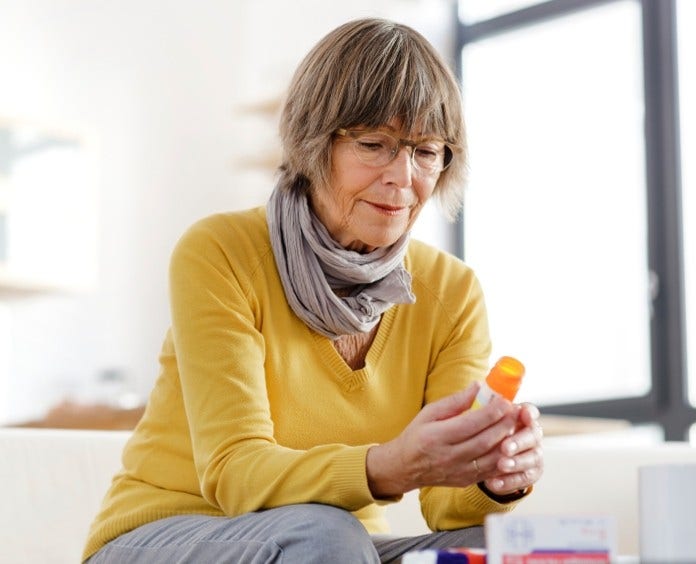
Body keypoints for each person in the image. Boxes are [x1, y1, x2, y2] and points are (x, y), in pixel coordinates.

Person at [83, 17, 543, 564]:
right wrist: (386, 465)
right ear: (313, 143)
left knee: (493, 549)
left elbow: (447, 509)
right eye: (375, 144)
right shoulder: (221, 252)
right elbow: (235, 473)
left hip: (338, 546)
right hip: (168, 535)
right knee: (326, 535)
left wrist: (494, 474)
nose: (403, 177)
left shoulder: (452, 292)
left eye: (425, 151)